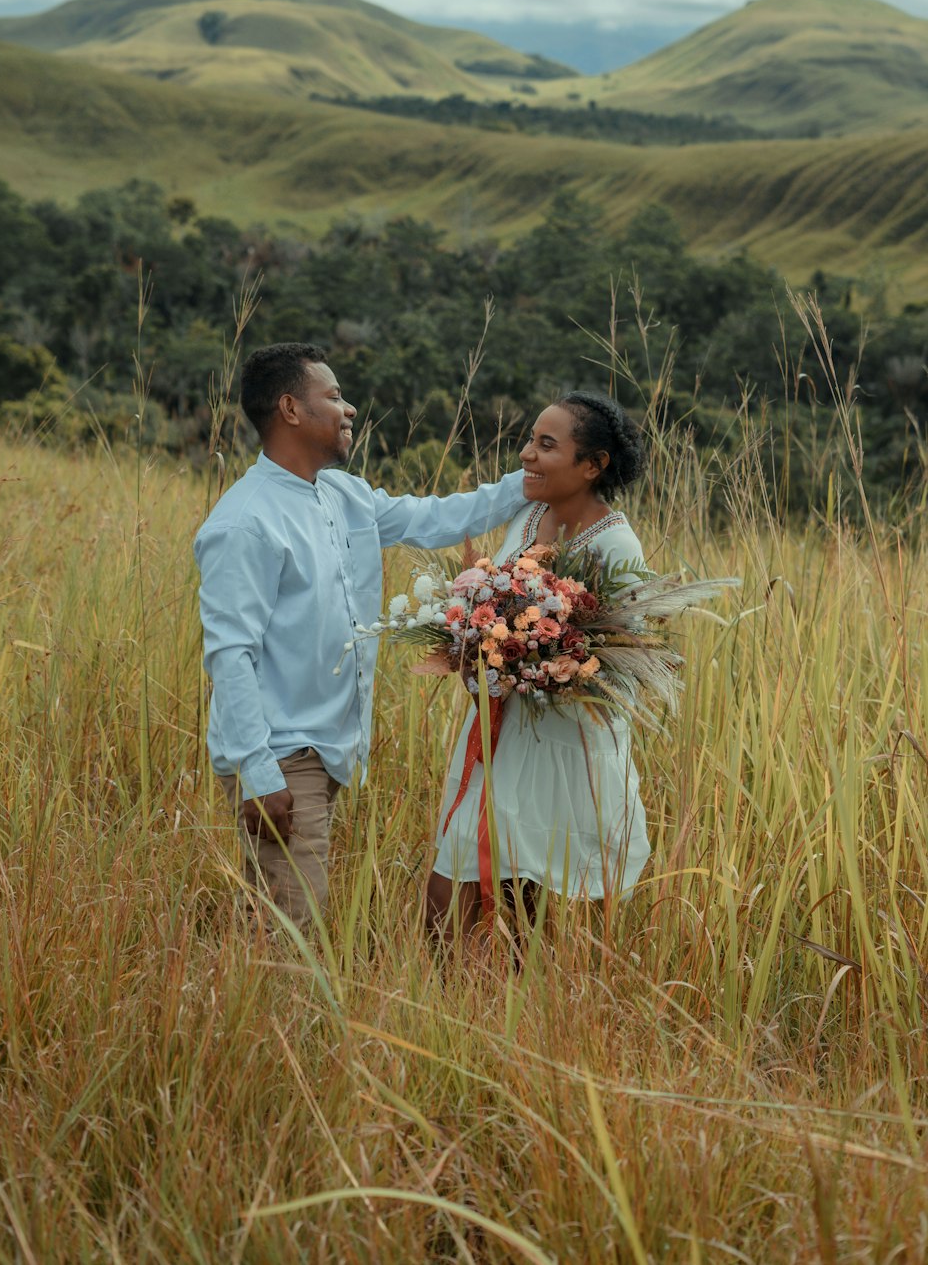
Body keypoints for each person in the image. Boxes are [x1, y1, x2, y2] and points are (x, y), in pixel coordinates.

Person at [194, 341, 527, 929]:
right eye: (336, 396)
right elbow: (230, 656)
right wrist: (258, 773)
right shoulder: (245, 522)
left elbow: (439, 518)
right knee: (293, 929)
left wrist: (530, 482)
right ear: (291, 409)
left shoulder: (343, 495)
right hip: (280, 752)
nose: (349, 409)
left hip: (330, 748)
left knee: (283, 919)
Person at [426, 389, 652, 944]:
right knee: (448, 896)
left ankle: (517, 1017)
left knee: (531, 905)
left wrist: (545, 665)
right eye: (530, 440)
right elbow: (492, 605)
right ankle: (447, 1001)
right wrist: (475, 650)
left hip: (564, 749)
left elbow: (627, 663)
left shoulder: (617, 546)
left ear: (593, 465)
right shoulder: (527, 516)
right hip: (500, 733)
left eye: (546, 445)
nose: (527, 454)